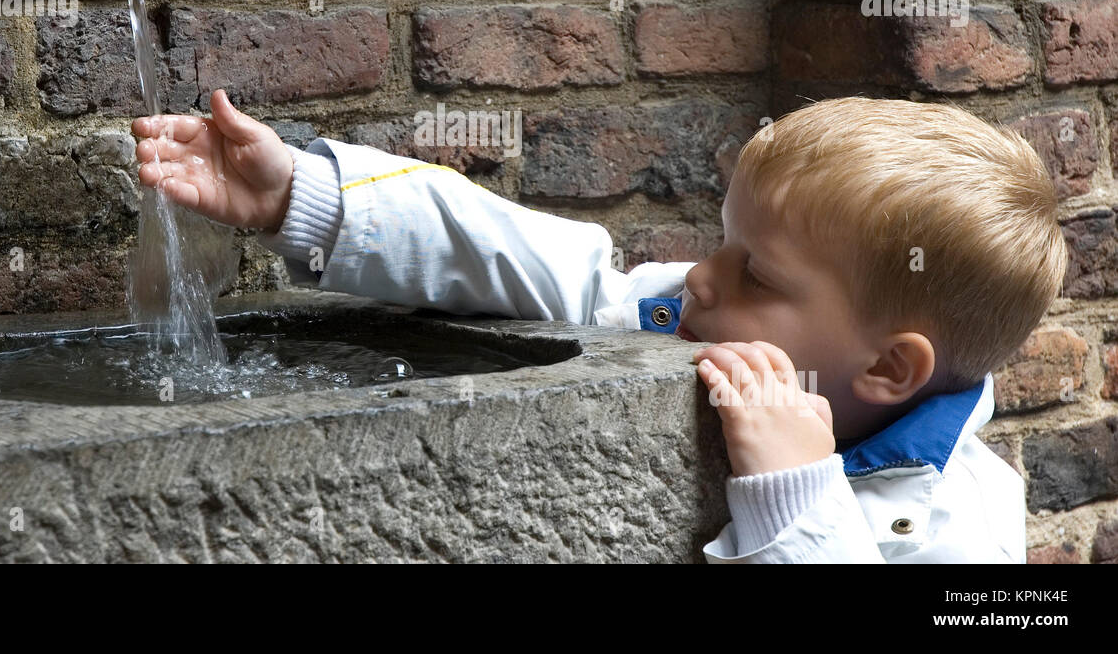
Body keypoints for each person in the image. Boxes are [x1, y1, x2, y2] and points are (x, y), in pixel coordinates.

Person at [131, 90, 1068, 563]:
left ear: (892, 370)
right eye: (723, 241)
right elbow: (536, 265)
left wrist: (797, 495)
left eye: (758, 272)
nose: (702, 274)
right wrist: (307, 194)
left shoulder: (967, 520)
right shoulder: (686, 315)